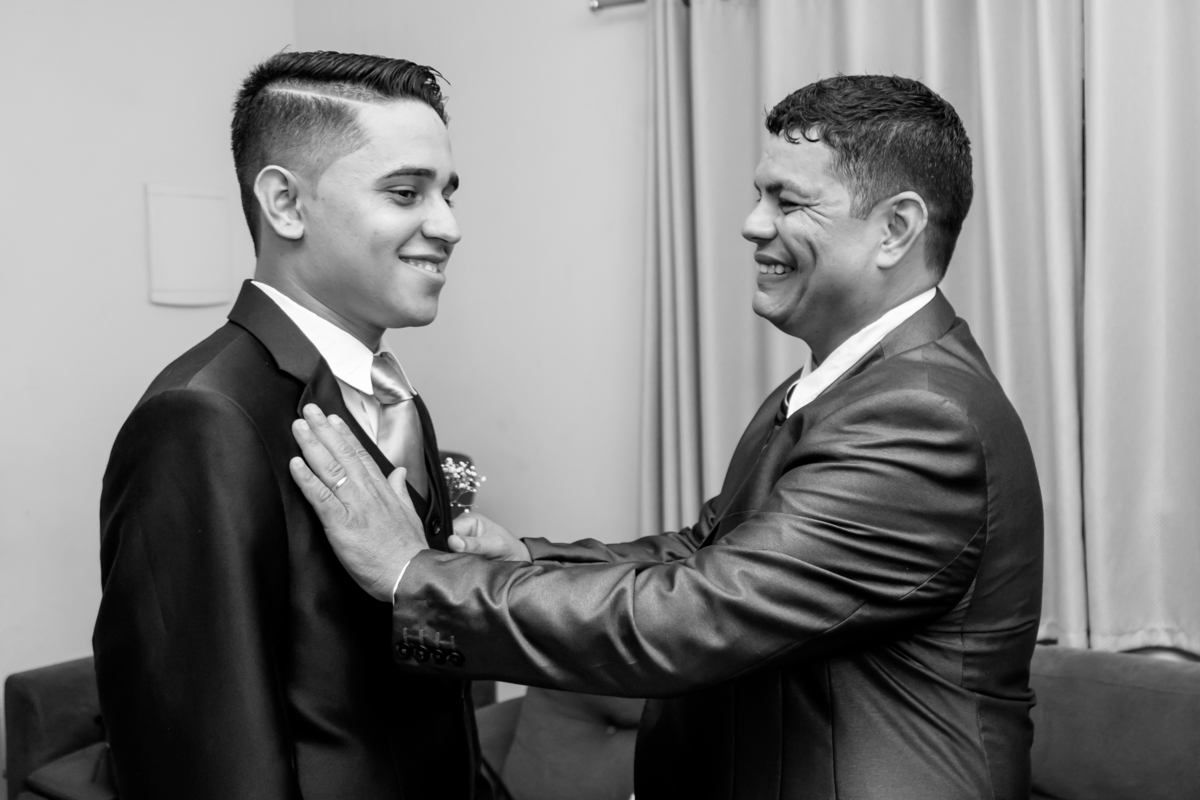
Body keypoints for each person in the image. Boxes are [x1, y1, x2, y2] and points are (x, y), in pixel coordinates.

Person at [291, 75, 1044, 799]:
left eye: (788, 201)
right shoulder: (844, 386)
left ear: (897, 229)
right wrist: (527, 558)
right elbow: (705, 551)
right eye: (760, 195)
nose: (753, 224)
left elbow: (699, 615)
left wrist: (412, 574)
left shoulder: (920, 415)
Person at [93, 50, 499, 799]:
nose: (448, 226)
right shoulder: (203, 416)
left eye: (447, 193)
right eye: (405, 192)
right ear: (285, 203)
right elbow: (204, 750)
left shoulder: (390, 392)